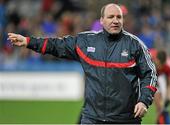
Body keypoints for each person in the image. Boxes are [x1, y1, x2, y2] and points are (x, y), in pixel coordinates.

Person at [8, 3, 157, 124]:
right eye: (110, 17)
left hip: (125, 120)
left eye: (119, 17)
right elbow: (57, 45)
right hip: (92, 119)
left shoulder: (135, 45)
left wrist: (144, 101)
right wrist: (28, 41)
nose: (115, 20)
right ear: (101, 20)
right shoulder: (86, 41)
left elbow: (150, 74)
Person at [150, 49, 170, 124]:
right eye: (158, 64)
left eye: (161, 65)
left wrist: (168, 97)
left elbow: (169, 84)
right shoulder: (149, 57)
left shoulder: (168, 67)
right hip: (145, 77)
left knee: (160, 107)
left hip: (155, 79)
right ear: (156, 59)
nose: (159, 67)